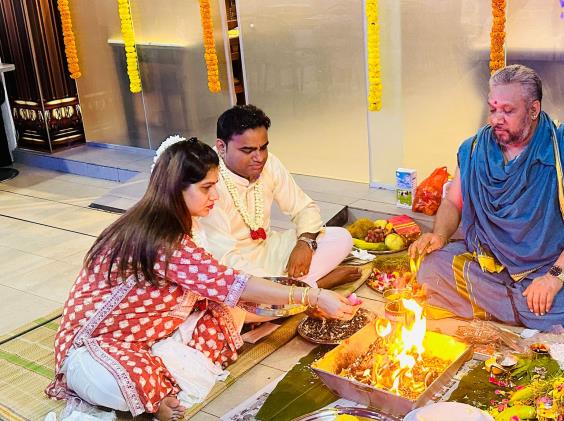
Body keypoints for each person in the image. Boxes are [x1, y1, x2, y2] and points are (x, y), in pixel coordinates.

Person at [45, 138, 356, 420]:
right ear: (176, 188)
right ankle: (152, 394)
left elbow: (224, 287)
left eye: (215, 185)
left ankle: (153, 386)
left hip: (154, 332)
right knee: (112, 379)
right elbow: (233, 283)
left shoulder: (180, 223)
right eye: (207, 188)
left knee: (225, 314)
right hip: (97, 346)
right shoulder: (162, 239)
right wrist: (312, 296)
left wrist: (300, 300)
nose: (215, 196)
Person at [409, 64, 564, 334]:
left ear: (533, 110)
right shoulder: (475, 148)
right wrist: (440, 235)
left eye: (507, 110)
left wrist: (554, 278)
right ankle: (523, 310)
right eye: (493, 109)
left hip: (546, 266)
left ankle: (491, 306)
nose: (496, 119)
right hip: (487, 264)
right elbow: (453, 202)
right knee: (430, 267)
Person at [193, 105, 359, 311]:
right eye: (247, 150)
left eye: (263, 147)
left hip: (268, 248)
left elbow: (304, 208)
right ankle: (313, 287)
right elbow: (224, 258)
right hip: (236, 266)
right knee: (238, 304)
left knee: (341, 238)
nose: (259, 157)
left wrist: (305, 243)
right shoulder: (210, 182)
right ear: (221, 146)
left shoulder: (269, 163)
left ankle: (294, 293)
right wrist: (268, 283)